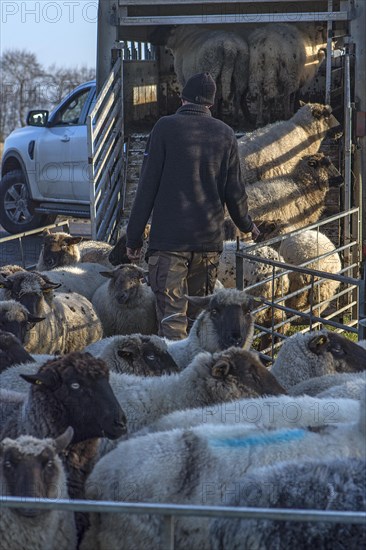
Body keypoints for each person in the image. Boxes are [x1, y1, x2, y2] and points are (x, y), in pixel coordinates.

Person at [126, 72, 260, 340]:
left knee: (172, 318)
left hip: (169, 245)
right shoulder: (225, 134)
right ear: (211, 103)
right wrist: (247, 225)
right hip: (207, 244)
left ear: (182, 97)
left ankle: (176, 377)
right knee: (199, 319)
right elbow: (235, 191)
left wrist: (134, 237)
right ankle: (195, 375)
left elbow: (146, 187)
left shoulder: (164, 127)